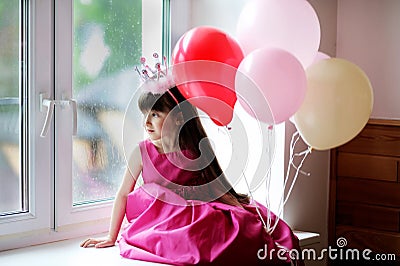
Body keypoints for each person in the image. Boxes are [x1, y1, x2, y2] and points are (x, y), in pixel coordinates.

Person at [80, 64, 302, 265]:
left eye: (155, 114)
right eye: (144, 114)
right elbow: (122, 194)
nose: (146, 121)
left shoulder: (194, 150)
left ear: (177, 118)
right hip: (160, 221)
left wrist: (239, 207)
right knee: (187, 237)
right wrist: (111, 236)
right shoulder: (142, 152)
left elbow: (214, 186)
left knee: (232, 227)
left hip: (191, 215)